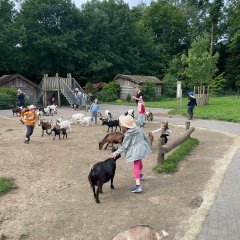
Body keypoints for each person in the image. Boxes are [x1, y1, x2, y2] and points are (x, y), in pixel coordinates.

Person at [112, 115, 152, 193]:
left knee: (136, 165)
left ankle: (138, 186)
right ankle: (141, 175)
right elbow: (145, 137)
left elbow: (124, 146)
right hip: (142, 148)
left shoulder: (128, 134)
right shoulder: (138, 128)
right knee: (139, 161)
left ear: (125, 126)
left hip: (135, 151)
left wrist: (116, 153)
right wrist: (148, 145)